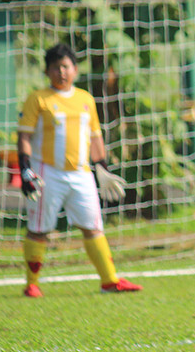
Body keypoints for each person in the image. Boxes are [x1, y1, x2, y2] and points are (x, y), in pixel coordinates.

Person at [17, 43, 140, 297]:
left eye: (65, 66)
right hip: (47, 172)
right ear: (47, 71)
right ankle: (32, 283)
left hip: (82, 174)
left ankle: (109, 280)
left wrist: (102, 166)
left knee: (93, 226)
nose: (61, 72)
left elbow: (95, 136)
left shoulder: (85, 99)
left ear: (74, 69)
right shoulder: (38, 99)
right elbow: (24, 135)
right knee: (40, 229)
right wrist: (25, 168)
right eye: (55, 67)